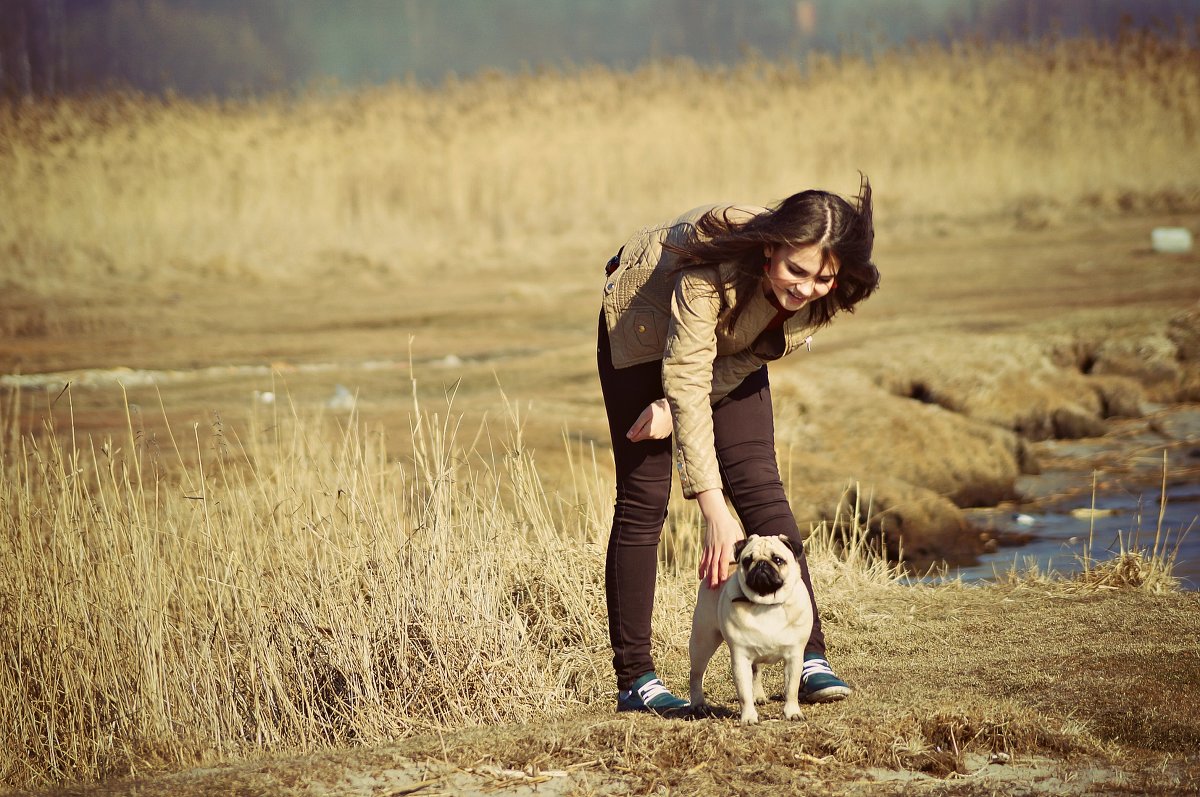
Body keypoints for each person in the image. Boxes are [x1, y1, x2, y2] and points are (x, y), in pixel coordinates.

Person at [596, 176, 879, 714]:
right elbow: (685, 374)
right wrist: (711, 506)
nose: (805, 287)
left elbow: (749, 356)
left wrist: (674, 410)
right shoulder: (707, 270)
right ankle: (636, 679)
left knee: (759, 482)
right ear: (770, 248)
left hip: (732, 346)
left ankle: (809, 653)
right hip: (644, 325)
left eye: (821, 277)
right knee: (644, 496)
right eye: (796, 271)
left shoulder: (823, 291)